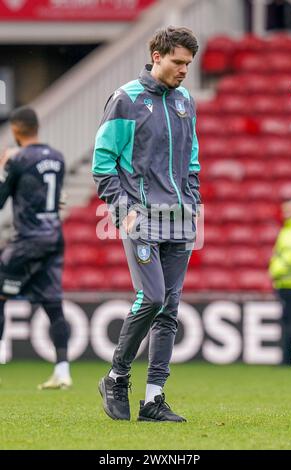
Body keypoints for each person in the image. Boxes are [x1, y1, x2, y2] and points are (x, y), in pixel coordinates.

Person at [92, 26, 200, 422]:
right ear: (156, 56)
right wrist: (123, 208)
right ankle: (117, 376)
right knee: (151, 298)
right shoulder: (126, 100)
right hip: (141, 216)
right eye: (177, 62)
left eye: (188, 64)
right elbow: (103, 163)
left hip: (181, 218)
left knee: (169, 308)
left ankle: (154, 398)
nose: (184, 71)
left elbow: (192, 159)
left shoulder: (186, 100)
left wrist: (194, 199)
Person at [0, 106, 72, 389]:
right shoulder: (58, 157)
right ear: (37, 127)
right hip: (54, 238)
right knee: (53, 304)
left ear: (16, 130)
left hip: (28, 239)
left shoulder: (17, 159)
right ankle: (63, 370)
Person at [269, 199, 291, 365]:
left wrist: (275, 271)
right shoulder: (288, 228)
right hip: (288, 284)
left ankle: (290, 359)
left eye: (289, 208)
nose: (286, 211)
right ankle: (289, 359)